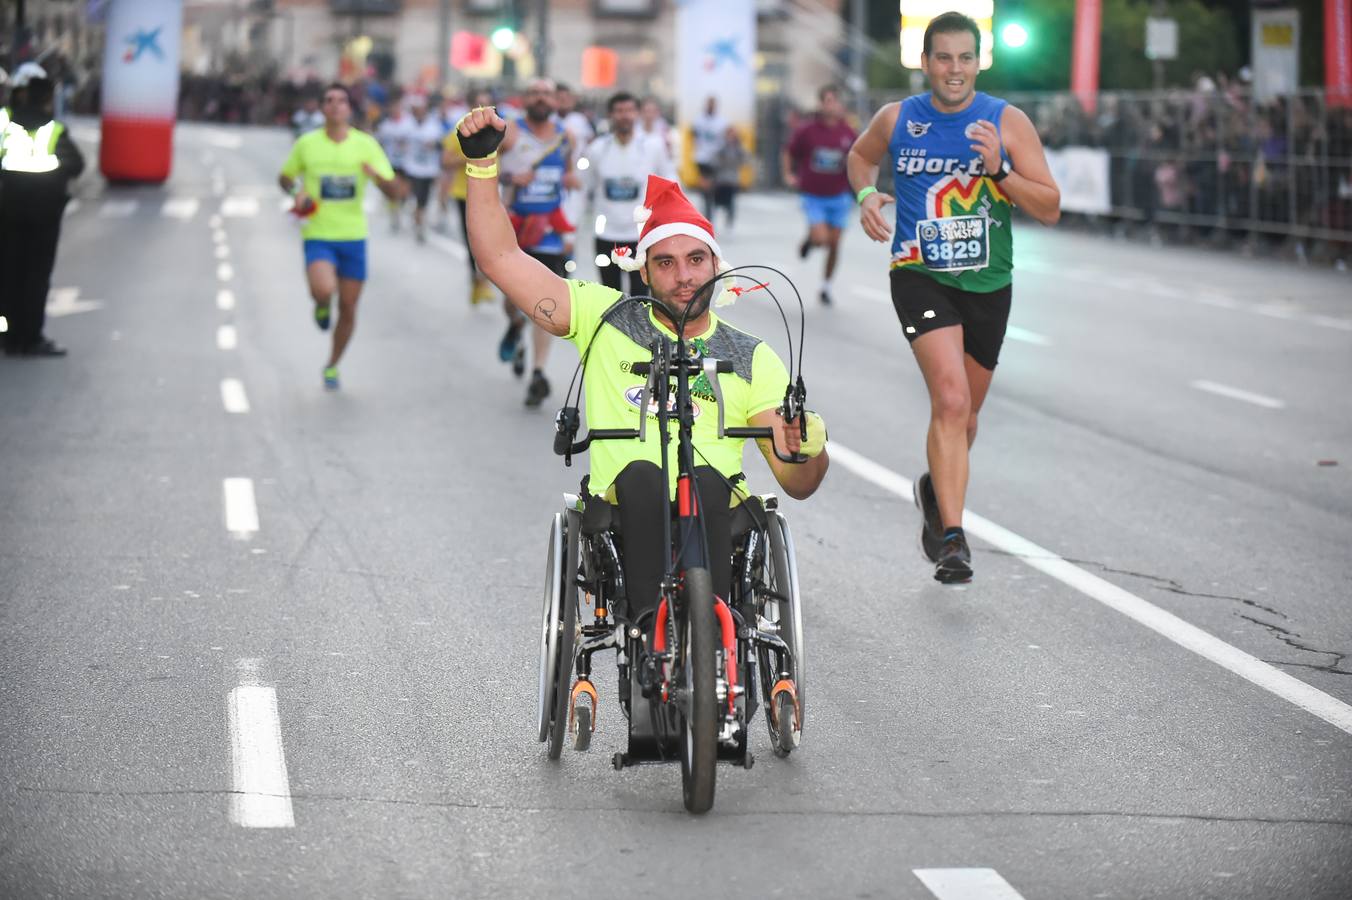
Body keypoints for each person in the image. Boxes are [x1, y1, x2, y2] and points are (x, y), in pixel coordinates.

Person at [457, 104, 829, 627]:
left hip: (718, 515)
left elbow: (799, 483)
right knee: (644, 476)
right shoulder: (605, 317)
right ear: (645, 273)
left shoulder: (751, 357)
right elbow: (500, 258)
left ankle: (711, 634)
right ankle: (653, 625)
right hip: (624, 513)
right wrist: (481, 167)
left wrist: (805, 446)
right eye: (666, 263)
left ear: (717, 267)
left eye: (696, 260)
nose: (683, 277)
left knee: (702, 479)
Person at [846, 11, 1060, 584]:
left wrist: (999, 171)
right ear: (925, 62)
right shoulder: (898, 119)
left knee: (965, 419)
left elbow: (1049, 206)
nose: (955, 69)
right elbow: (859, 157)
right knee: (950, 399)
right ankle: (954, 540)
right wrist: (867, 193)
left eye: (966, 58)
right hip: (919, 272)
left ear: (978, 62)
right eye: (944, 57)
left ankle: (934, 491)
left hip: (989, 282)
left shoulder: (1005, 121)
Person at [278, 82, 404, 390]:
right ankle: (321, 304)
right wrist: (297, 192)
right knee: (324, 290)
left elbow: (394, 191)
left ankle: (332, 364)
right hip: (318, 233)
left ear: (349, 109)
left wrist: (375, 177)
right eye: (329, 100)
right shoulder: (307, 144)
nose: (335, 105)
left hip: (353, 236)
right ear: (322, 109)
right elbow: (285, 178)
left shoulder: (366, 145)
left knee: (348, 307)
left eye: (341, 101)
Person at [495, 77, 581, 408]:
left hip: (549, 231)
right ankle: (514, 327)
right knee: (512, 303)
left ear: (555, 101)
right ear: (525, 99)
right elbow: (482, 170)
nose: (542, 98)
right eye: (535, 93)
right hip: (514, 229)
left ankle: (538, 373)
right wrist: (509, 177)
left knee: (543, 305)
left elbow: (569, 177)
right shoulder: (511, 134)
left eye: (547, 93)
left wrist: (572, 182)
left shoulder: (566, 137)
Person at [0, 63, 85, 357]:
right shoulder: (54, 129)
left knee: (8, 272)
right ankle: (31, 337)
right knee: (36, 276)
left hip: (8, 210)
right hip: (44, 215)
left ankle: (7, 336)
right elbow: (77, 164)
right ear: (47, 98)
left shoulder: (5, 123)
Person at [582, 91, 676, 297]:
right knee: (610, 296)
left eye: (629, 110)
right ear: (611, 115)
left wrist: (672, 222)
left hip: (641, 237)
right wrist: (569, 230)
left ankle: (638, 331)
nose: (624, 115)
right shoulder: (597, 149)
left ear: (637, 114)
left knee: (641, 298)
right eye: (619, 111)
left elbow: (670, 181)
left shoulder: (653, 146)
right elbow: (583, 188)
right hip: (607, 235)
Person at [783, 85, 858, 306]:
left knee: (834, 243)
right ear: (820, 103)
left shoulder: (848, 132)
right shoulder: (808, 130)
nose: (830, 105)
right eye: (826, 100)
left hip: (839, 195)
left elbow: (859, 157)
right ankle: (810, 240)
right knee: (821, 239)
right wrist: (789, 174)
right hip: (813, 194)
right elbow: (789, 151)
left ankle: (826, 286)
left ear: (840, 105)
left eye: (834, 100)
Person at [442, 87, 496, 305]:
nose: (483, 110)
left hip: (492, 194)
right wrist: (471, 155)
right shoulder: (460, 129)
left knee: (491, 242)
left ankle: (484, 281)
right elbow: (445, 161)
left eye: (487, 105)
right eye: (479, 105)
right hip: (465, 193)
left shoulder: (499, 129)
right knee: (473, 243)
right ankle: (476, 281)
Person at [401, 95, 444, 243]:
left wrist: (434, 145)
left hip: (429, 169)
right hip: (412, 168)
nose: (418, 112)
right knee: (415, 198)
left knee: (423, 200)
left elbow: (441, 144)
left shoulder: (433, 125)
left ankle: (419, 223)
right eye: (415, 110)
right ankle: (418, 224)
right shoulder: (408, 124)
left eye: (420, 109)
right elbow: (401, 141)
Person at [374, 97, 411, 232]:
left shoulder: (409, 123)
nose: (394, 111)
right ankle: (395, 217)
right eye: (392, 109)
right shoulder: (386, 126)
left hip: (407, 163)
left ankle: (401, 205)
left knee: (405, 191)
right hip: (391, 162)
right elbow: (379, 144)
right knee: (393, 191)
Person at [691, 95, 728, 219]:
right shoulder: (699, 120)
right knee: (706, 188)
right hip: (702, 158)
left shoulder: (722, 121)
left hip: (716, 158)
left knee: (715, 187)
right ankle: (707, 212)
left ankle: (712, 207)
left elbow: (725, 138)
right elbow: (694, 136)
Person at [710, 125, 747, 232]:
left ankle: (729, 223)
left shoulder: (738, 148)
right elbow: (714, 160)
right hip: (721, 179)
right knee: (717, 202)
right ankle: (714, 222)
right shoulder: (721, 147)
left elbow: (744, 159)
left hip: (732, 180)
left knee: (731, 203)